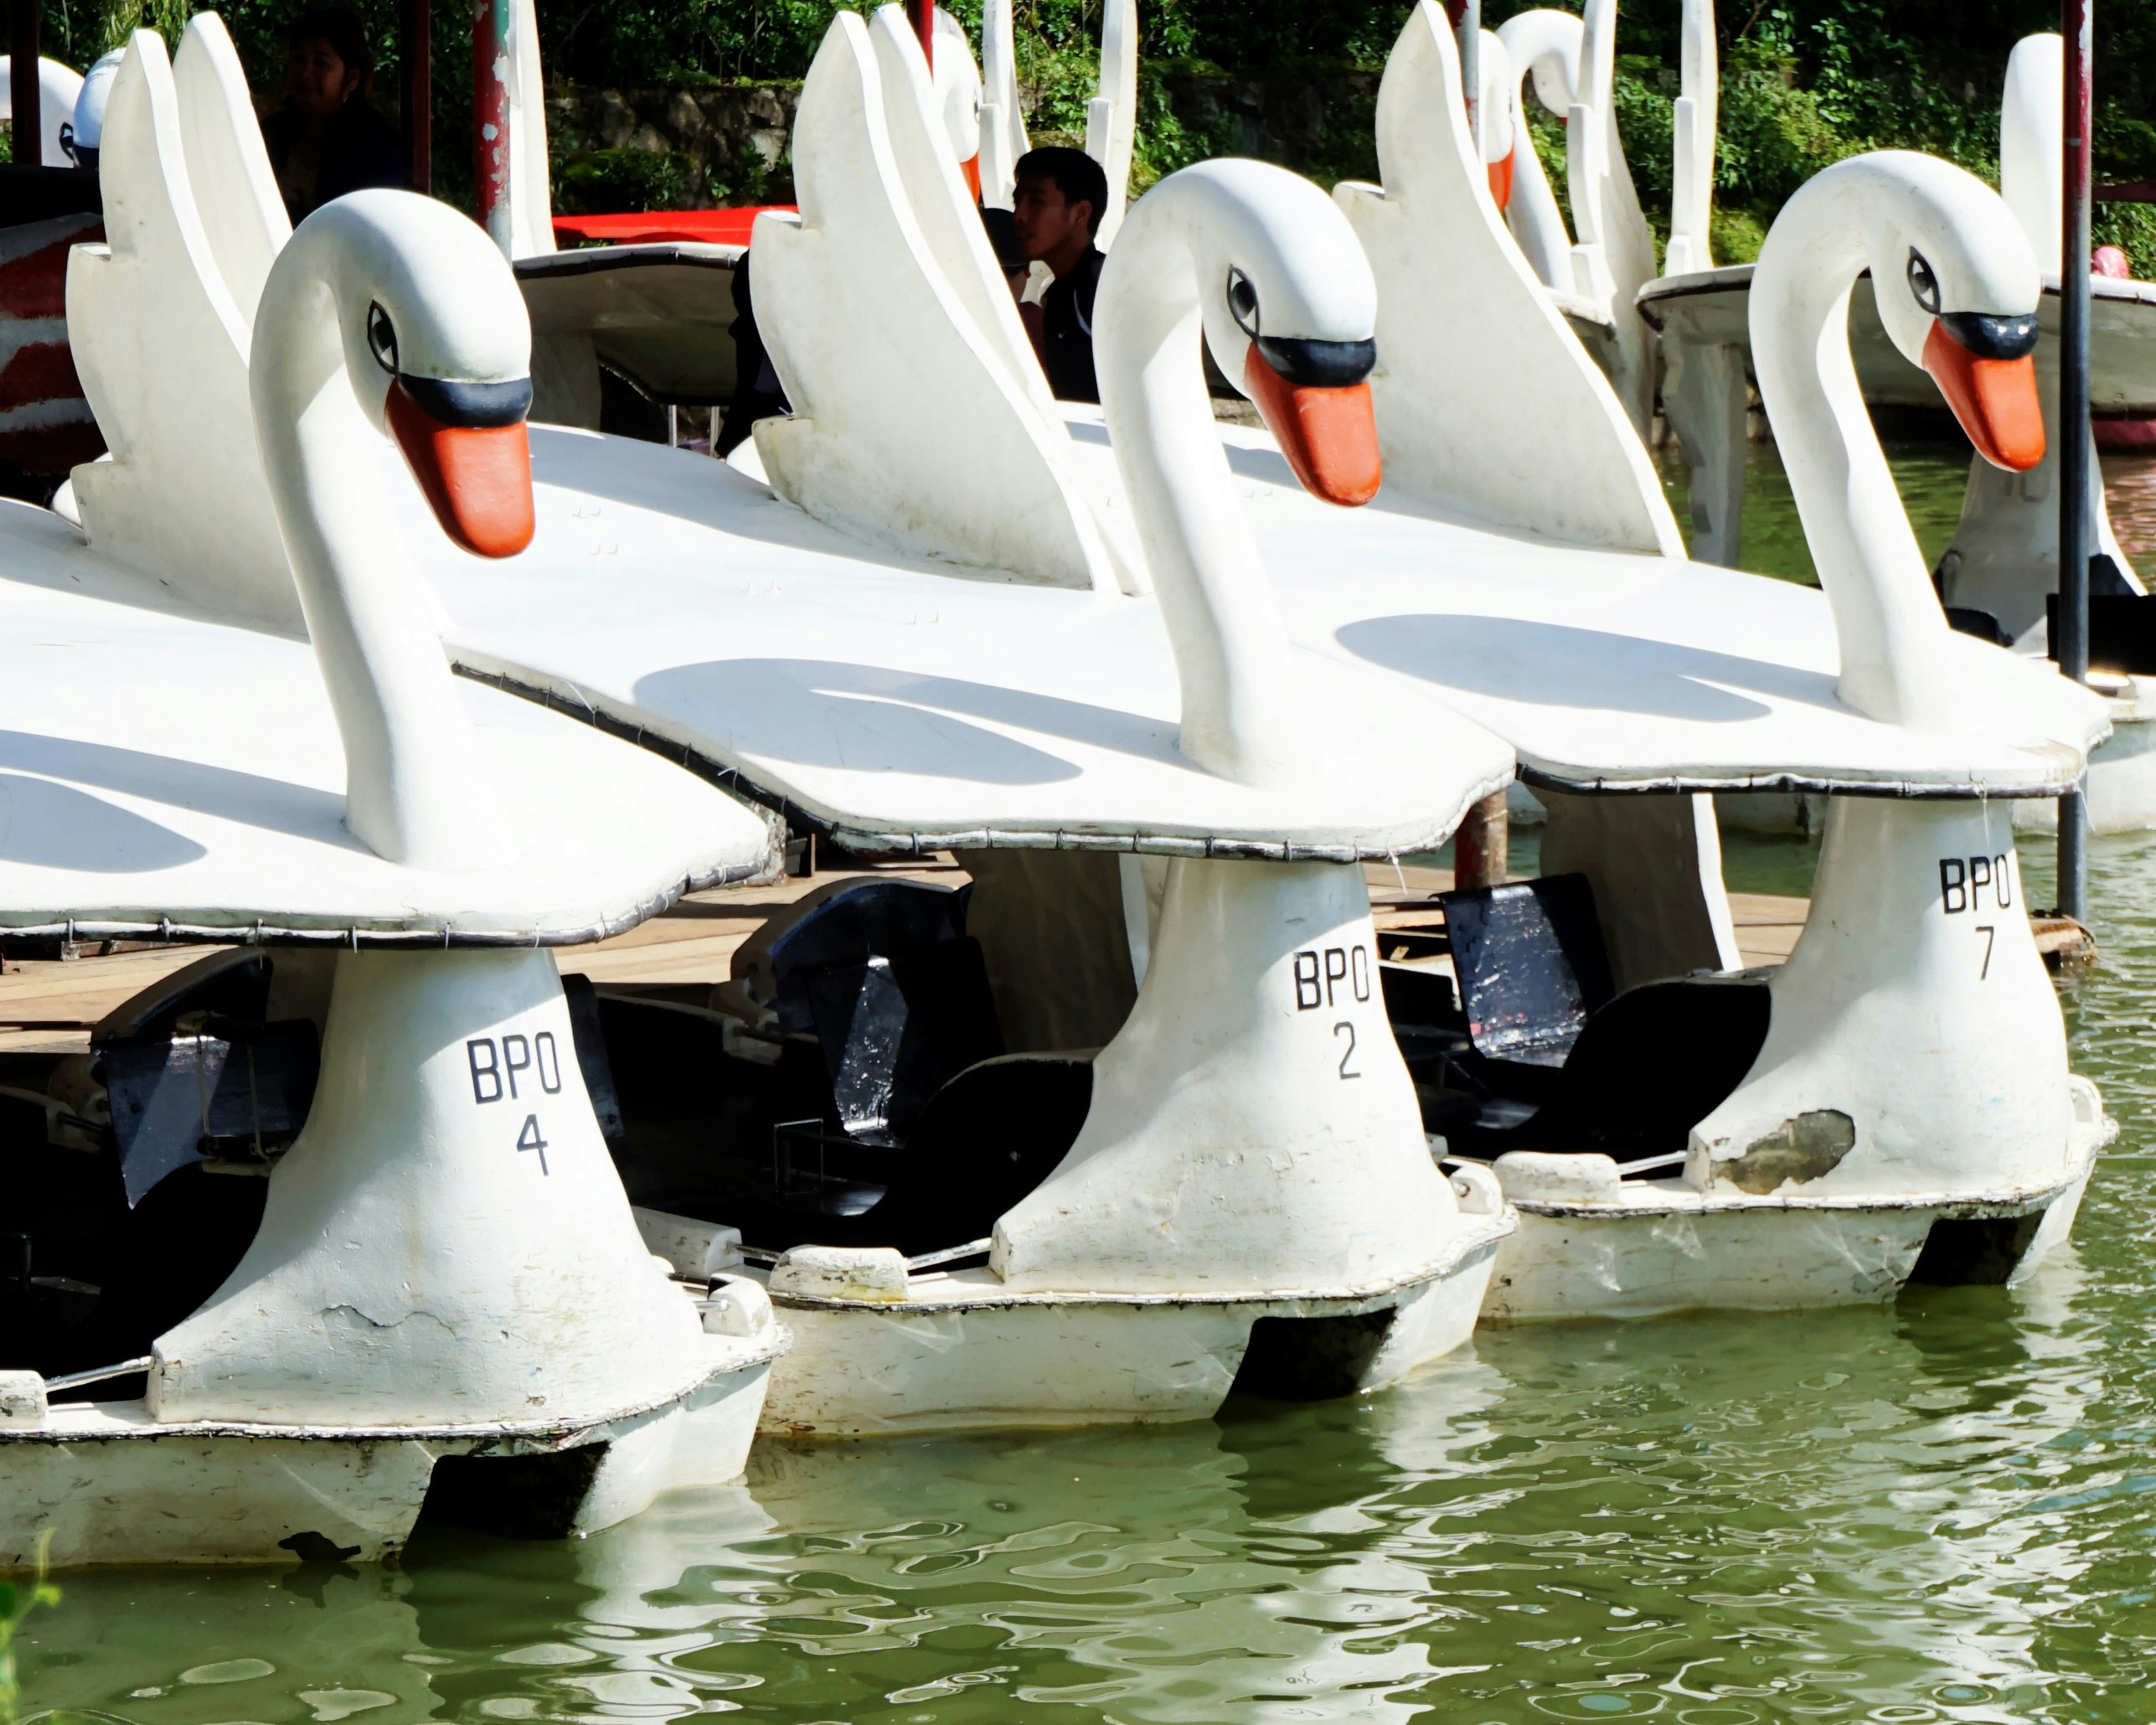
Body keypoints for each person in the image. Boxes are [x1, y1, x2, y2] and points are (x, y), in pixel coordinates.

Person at [264, 8, 405, 224]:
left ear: (352, 79)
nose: (305, 73)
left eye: (320, 63)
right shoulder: (269, 133)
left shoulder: (375, 149)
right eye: (298, 59)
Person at [1008, 146, 1108, 403]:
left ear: (1080, 213)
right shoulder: (1062, 294)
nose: (1019, 215)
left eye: (1036, 201)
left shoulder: (1101, 288)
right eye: (1017, 202)